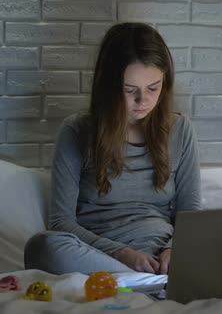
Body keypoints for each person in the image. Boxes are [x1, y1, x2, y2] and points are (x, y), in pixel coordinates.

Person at [24, 22, 202, 276]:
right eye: (130, 90)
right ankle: (141, 282)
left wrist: (174, 249)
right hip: (102, 257)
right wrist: (122, 253)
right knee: (42, 246)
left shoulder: (181, 130)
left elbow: (190, 213)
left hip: (163, 257)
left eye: (153, 88)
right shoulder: (76, 132)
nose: (143, 101)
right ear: (109, 86)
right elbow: (61, 223)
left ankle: (150, 281)